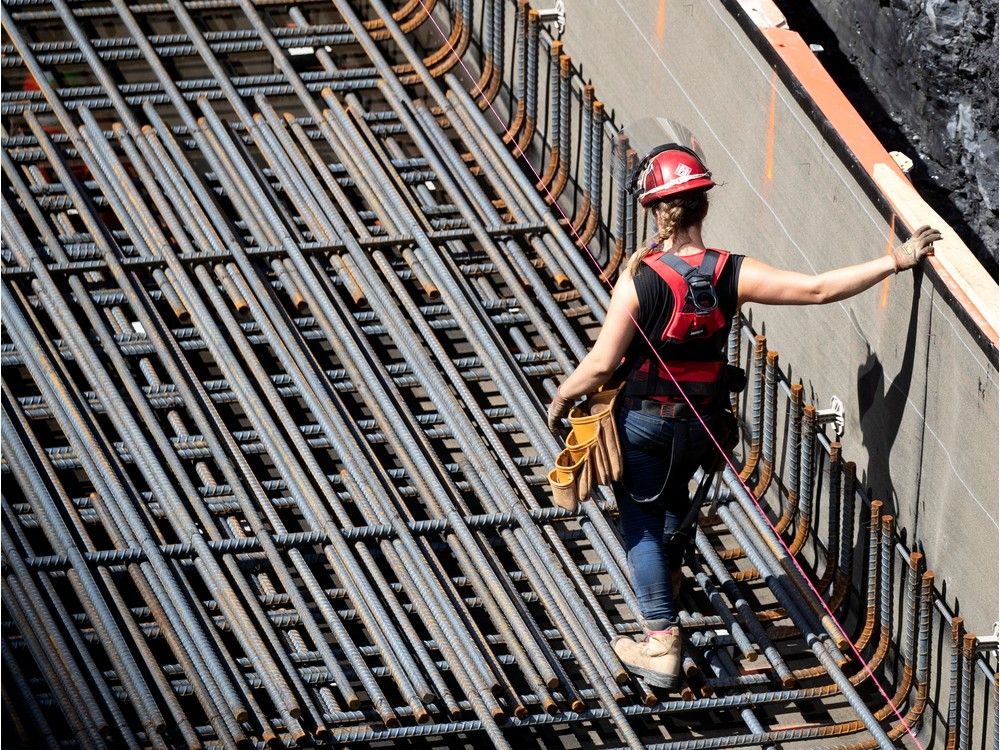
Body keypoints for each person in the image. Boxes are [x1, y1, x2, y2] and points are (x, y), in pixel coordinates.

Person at [545, 143, 941, 690]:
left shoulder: (641, 282)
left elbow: (601, 364)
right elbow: (818, 288)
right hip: (704, 426)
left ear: (656, 210)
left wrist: (563, 396)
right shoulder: (732, 272)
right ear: (702, 206)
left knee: (640, 518)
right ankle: (671, 579)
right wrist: (897, 260)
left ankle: (660, 639)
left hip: (645, 423)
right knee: (673, 500)